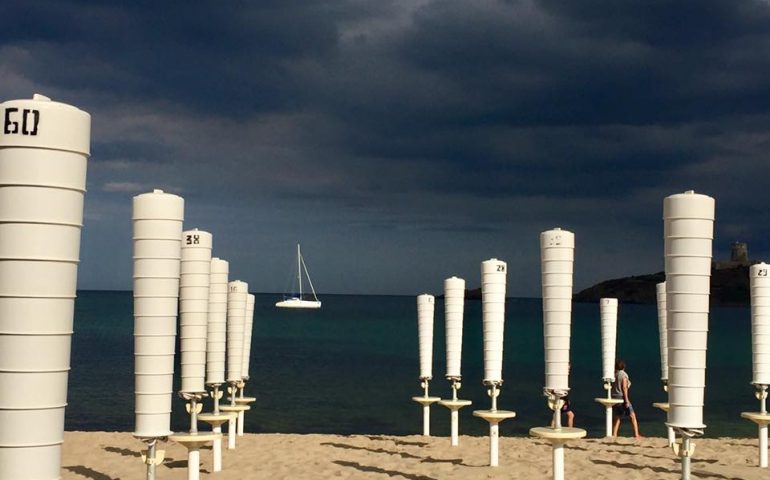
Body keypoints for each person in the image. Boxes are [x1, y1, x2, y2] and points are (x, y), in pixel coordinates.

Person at [612, 359, 641, 438]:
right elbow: (624, 388)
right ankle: (636, 434)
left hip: (614, 397)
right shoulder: (623, 375)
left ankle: (614, 434)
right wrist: (626, 400)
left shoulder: (614, 374)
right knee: (632, 415)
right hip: (621, 397)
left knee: (617, 416)